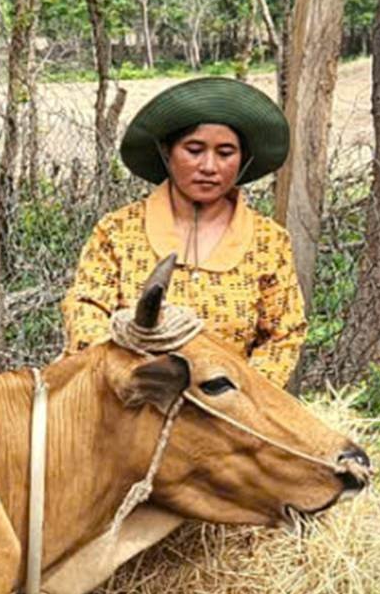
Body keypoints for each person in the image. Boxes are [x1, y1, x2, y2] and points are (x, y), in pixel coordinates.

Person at [63, 77, 305, 382]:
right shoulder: (118, 232)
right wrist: (128, 378)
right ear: (167, 152)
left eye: (225, 152)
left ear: (243, 159)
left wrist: (236, 395)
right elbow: (85, 309)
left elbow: (284, 334)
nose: (209, 166)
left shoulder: (269, 242)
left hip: (226, 416)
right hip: (131, 402)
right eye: (194, 149)